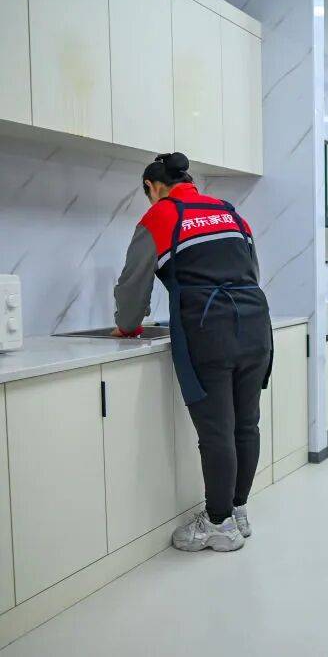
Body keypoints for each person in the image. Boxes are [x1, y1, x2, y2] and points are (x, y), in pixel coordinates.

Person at [113, 152, 273, 553]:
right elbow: (251, 270)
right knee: (246, 424)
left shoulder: (160, 216)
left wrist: (128, 326)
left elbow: (133, 285)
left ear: (152, 187)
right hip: (255, 324)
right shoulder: (229, 212)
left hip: (209, 330)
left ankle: (217, 524)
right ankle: (237, 511)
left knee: (217, 431)